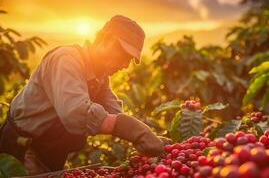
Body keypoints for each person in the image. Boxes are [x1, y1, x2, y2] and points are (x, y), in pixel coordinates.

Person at [0, 15, 167, 174]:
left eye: (129, 59)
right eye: (122, 53)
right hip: (24, 152)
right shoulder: (66, 59)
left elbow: (115, 112)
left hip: (48, 152)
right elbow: (76, 113)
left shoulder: (100, 75)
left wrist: (149, 137)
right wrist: (135, 131)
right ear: (105, 39)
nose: (125, 64)